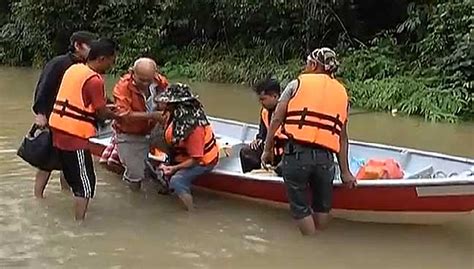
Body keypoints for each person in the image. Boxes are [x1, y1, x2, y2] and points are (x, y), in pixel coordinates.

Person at [261, 47, 357, 235]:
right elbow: (342, 138)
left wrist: (267, 149)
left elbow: (277, 119)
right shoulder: (342, 93)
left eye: (307, 62)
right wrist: (345, 172)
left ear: (313, 64)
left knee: (301, 209)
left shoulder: (296, 84)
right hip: (326, 160)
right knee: (322, 208)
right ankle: (320, 241)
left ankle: (312, 245)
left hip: (297, 155)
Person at [49, 38, 121, 221]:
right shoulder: (94, 80)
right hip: (74, 136)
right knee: (86, 184)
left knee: (71, 174)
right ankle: (79, 225)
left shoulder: (74, 69)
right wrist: (120, 115)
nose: (112, 66)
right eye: (111, 61)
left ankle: (70, 210)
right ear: (102, 59)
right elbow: (102, 113)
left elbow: (80, 101)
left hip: (58, 131)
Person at [31, 31, 96, 198]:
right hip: (54, 119)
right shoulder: (59, 63)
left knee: (69, 162)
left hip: (74, 122)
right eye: (90, 46)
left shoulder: (87, 67)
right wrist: (41, 113)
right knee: (47, 162)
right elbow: (43, 88)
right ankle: (38, 197)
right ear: (78, 45)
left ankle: (66, 194)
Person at [152, 83, 219, 211]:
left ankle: (191, 212)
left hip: (202, 161)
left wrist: (173, 168)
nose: (162, 105)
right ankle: (170, 188)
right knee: (156, 168)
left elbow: (196, 159)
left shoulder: (194, 127)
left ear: (176, 105)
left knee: (177, 181)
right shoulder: (174, 115)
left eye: (166, 103)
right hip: (182, 156)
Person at [113, 57, 169, 191]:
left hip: (154, 129)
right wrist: (151, 115)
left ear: (155, 74)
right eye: (141, 80)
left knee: (180, 148)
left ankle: (167, 173)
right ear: (132, 73)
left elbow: (170, 102)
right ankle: (133, 199)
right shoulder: (123, 87)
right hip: (130, 134)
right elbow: (123, 115)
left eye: (148, 80)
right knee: (135, 174)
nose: (145, 83)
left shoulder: (160, 82)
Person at [239, 77, 286, 174]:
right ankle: (256, 177)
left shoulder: (288, 111)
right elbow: (262, 133)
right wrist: (258, 139)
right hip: (269, 150)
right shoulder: (264, 112)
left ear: (275, 96)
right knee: (246, 152)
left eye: (263, 99)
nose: (260, 102)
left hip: (285, 153)